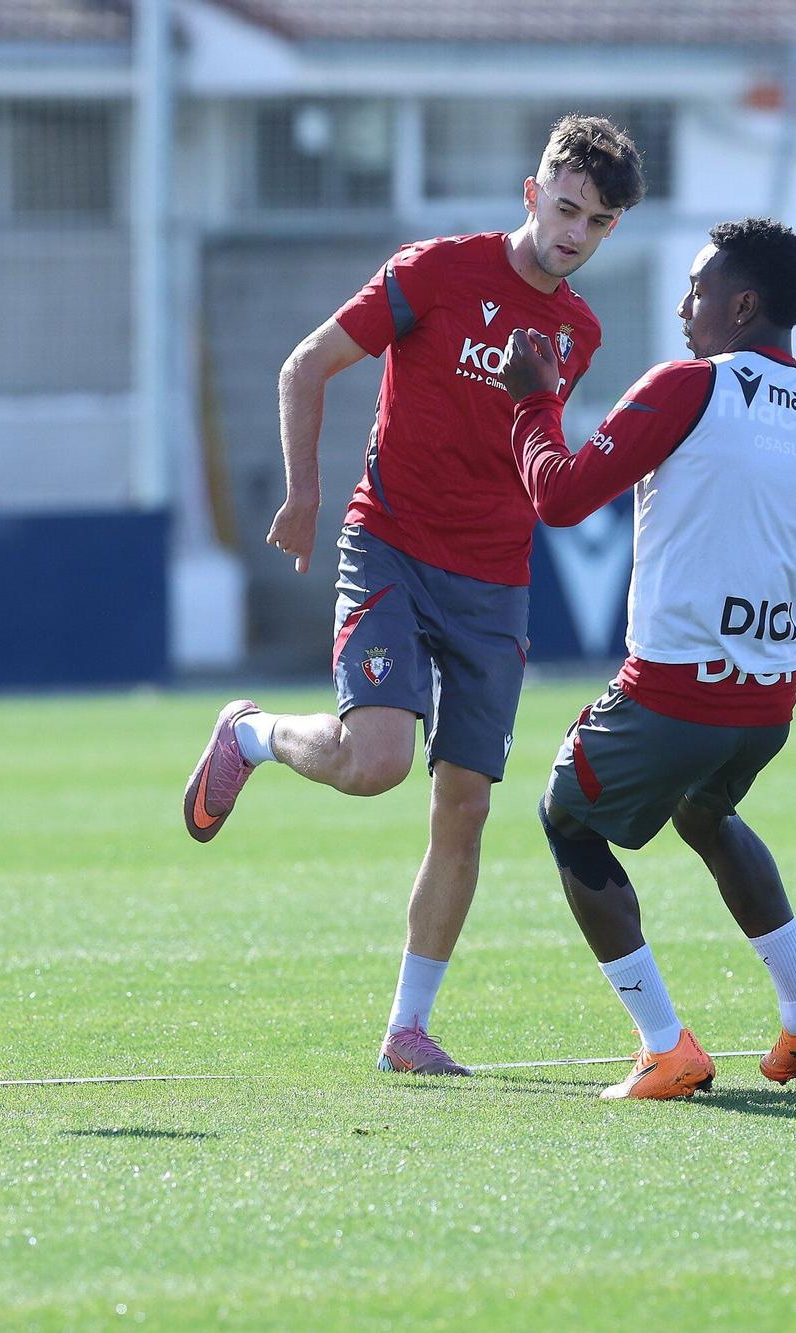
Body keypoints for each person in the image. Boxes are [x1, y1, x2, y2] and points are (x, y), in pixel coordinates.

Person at [183, 115, 646, 1075]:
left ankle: (407, 1030)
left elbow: (530, 448)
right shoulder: (435, 270)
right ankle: (250, 735)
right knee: (376, 763)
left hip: (495, 579)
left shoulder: (581, 331)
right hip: (390, 544)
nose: (575, 233)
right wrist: (304, 493)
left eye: (597, 222)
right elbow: (305, 364)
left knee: (465, 806)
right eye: (566, 208)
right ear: (533, 193)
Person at [499, 217, 796, 1099]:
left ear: (743, 305)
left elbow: (561, 497)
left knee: (566, 818)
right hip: (767, 705)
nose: (684, 306)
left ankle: (664, 1046)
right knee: (705, 811)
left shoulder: (688, 387)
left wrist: (534, 402)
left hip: (670, 694)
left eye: (698, 288)